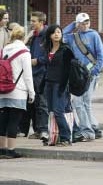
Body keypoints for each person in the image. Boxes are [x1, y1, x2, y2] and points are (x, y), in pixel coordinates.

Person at [63, 13, 103, 142]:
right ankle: (93, 127)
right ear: (78, 24)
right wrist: (72, 25)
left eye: (87, 22)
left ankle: (87, 131)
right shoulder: (73, 37)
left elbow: (102, 55)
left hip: (90, 74)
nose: (86, 25)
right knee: (85, 102)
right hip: (79, 75)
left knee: (79, 102)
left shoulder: (94, 35)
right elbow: (62, 36)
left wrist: (94, 71)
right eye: (82, 23)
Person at [0, 26, 35, 158]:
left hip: (2, 90)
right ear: (22, 37)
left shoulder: (3, 50)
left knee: (3, 120)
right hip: (18, 91)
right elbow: (27, 75)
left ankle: (1, 149)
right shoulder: (24, 52)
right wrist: (32, 93)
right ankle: (11, 150)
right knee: (14, 121)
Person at [42, 25, 74, 146]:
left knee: (58, 111)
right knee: (51, 111)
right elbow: (47, 68)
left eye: (59, 32)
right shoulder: (48, 49)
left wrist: (63, 87)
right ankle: (54, 137)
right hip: (49, 83)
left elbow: (68, 70)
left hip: (60, 84)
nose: (57, 34)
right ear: (49, 35)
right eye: (54, 32)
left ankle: (66, 137)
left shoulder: (66, 49)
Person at [20, 12, 49, 142]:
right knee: (31, 102)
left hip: (41, 74)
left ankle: (43, 130)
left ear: (41, 22)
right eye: (31, 20)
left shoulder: (47, 36)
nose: (31, 23)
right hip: (32, 73)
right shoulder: (34, 36)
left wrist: (37, 61)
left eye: (33, 21)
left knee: (42, 103)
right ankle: (36, 130)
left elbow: (49, 55)